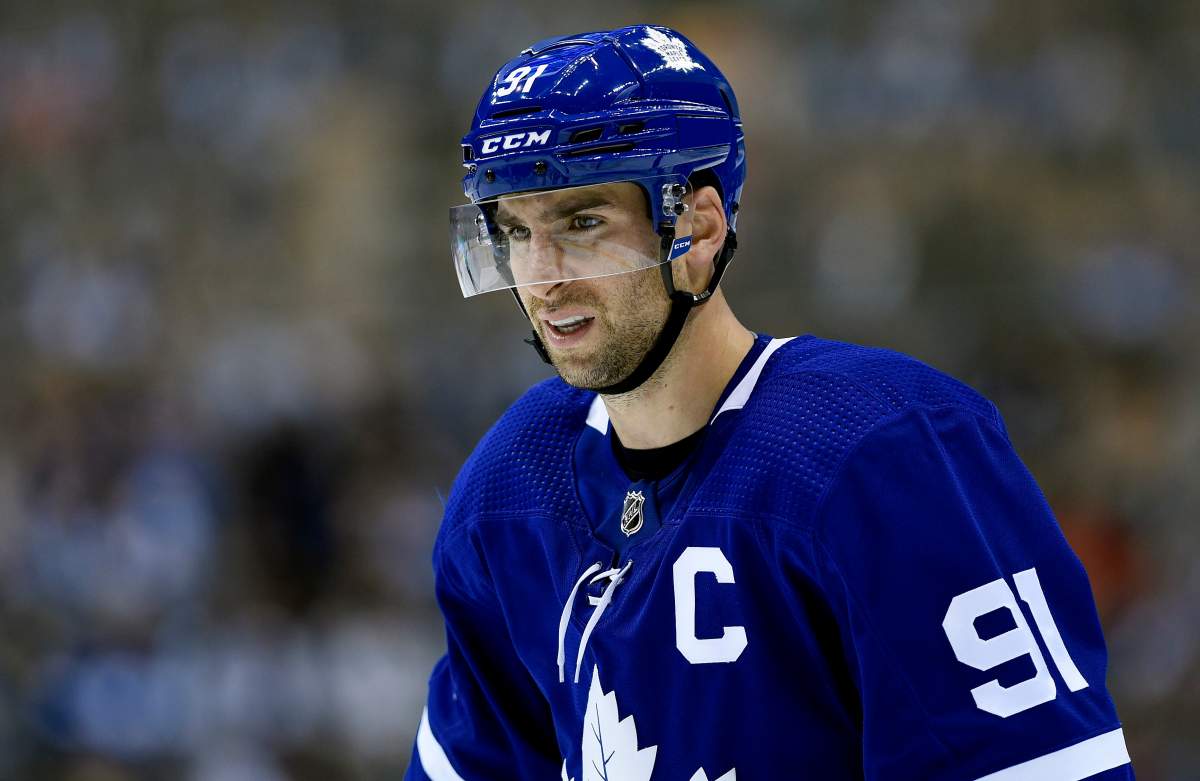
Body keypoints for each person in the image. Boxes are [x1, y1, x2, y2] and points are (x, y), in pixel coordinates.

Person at [408, 24, 1133, 781]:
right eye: (516, 231)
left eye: (583, 223)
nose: (543, 276)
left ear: (697, 230)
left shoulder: (884, 452)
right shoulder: (511, 485)